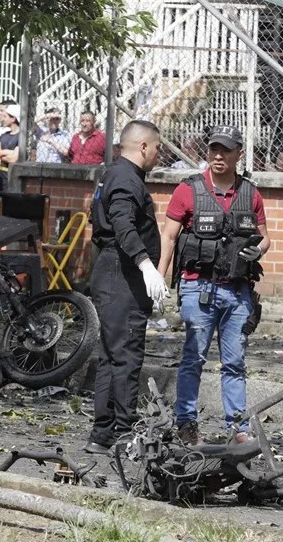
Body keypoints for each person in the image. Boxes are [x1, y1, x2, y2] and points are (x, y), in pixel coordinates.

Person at [157, 125, 271, 446]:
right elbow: (168, 236)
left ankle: (238, 429)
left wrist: (258, 249)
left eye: (226, 150)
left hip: (238, 292)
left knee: (235, 363)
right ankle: (187, 425)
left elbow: (266, 237)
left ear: (239, 154)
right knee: (193, 358)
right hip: (198, 289)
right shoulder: (188, 191)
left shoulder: (251, 193)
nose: (218, 155)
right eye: (213, 149)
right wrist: (159, 279)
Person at [84, 120, 166, 455]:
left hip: (113, 269)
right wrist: (146, 265)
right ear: (144, 146)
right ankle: (122, 434)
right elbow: (121, 223)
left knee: (112, 355)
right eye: (158, 147)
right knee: (127, 356)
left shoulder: (114, 174)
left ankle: (102, 435)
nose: (159, 154)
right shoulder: (126, 177)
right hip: (122, 272)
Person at [0, 103, 21, 190]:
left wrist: (0, 153)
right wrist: (8, 152)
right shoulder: (4, 135)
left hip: (12, 180)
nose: (3, 119)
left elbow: (13, 159)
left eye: (5, 117)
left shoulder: (21, 137)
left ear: (13, 118)